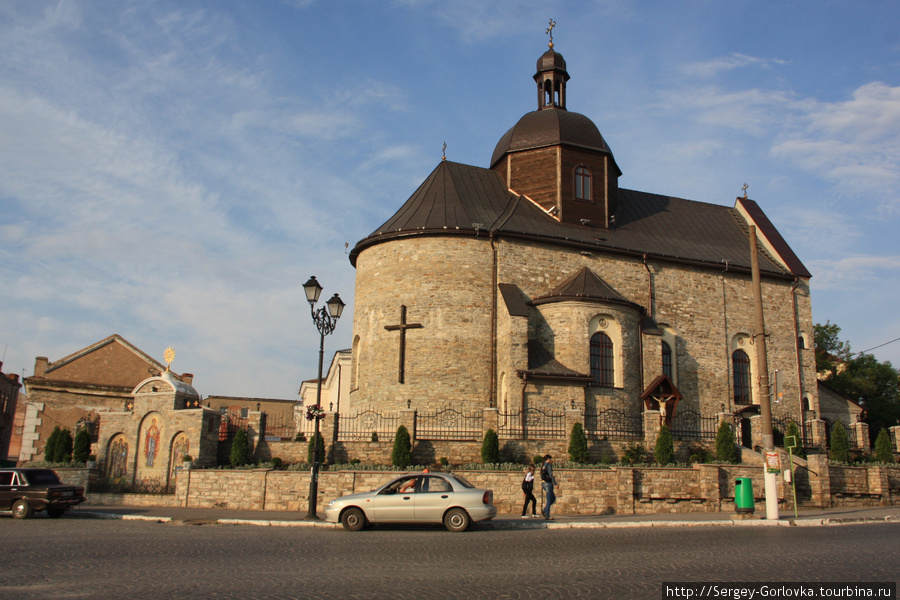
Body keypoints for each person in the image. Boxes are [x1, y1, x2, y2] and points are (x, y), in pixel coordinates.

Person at [540, 454, 559, 520]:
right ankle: (547, 515)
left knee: (553, 498)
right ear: (548, 459)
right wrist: (555, 484)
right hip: (548, 483)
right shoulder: (548, 465)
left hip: (544, 483)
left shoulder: (543, 465)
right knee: (549, 499)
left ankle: (545, 510)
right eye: (550, 459)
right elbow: (550, 475)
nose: (551, 460)